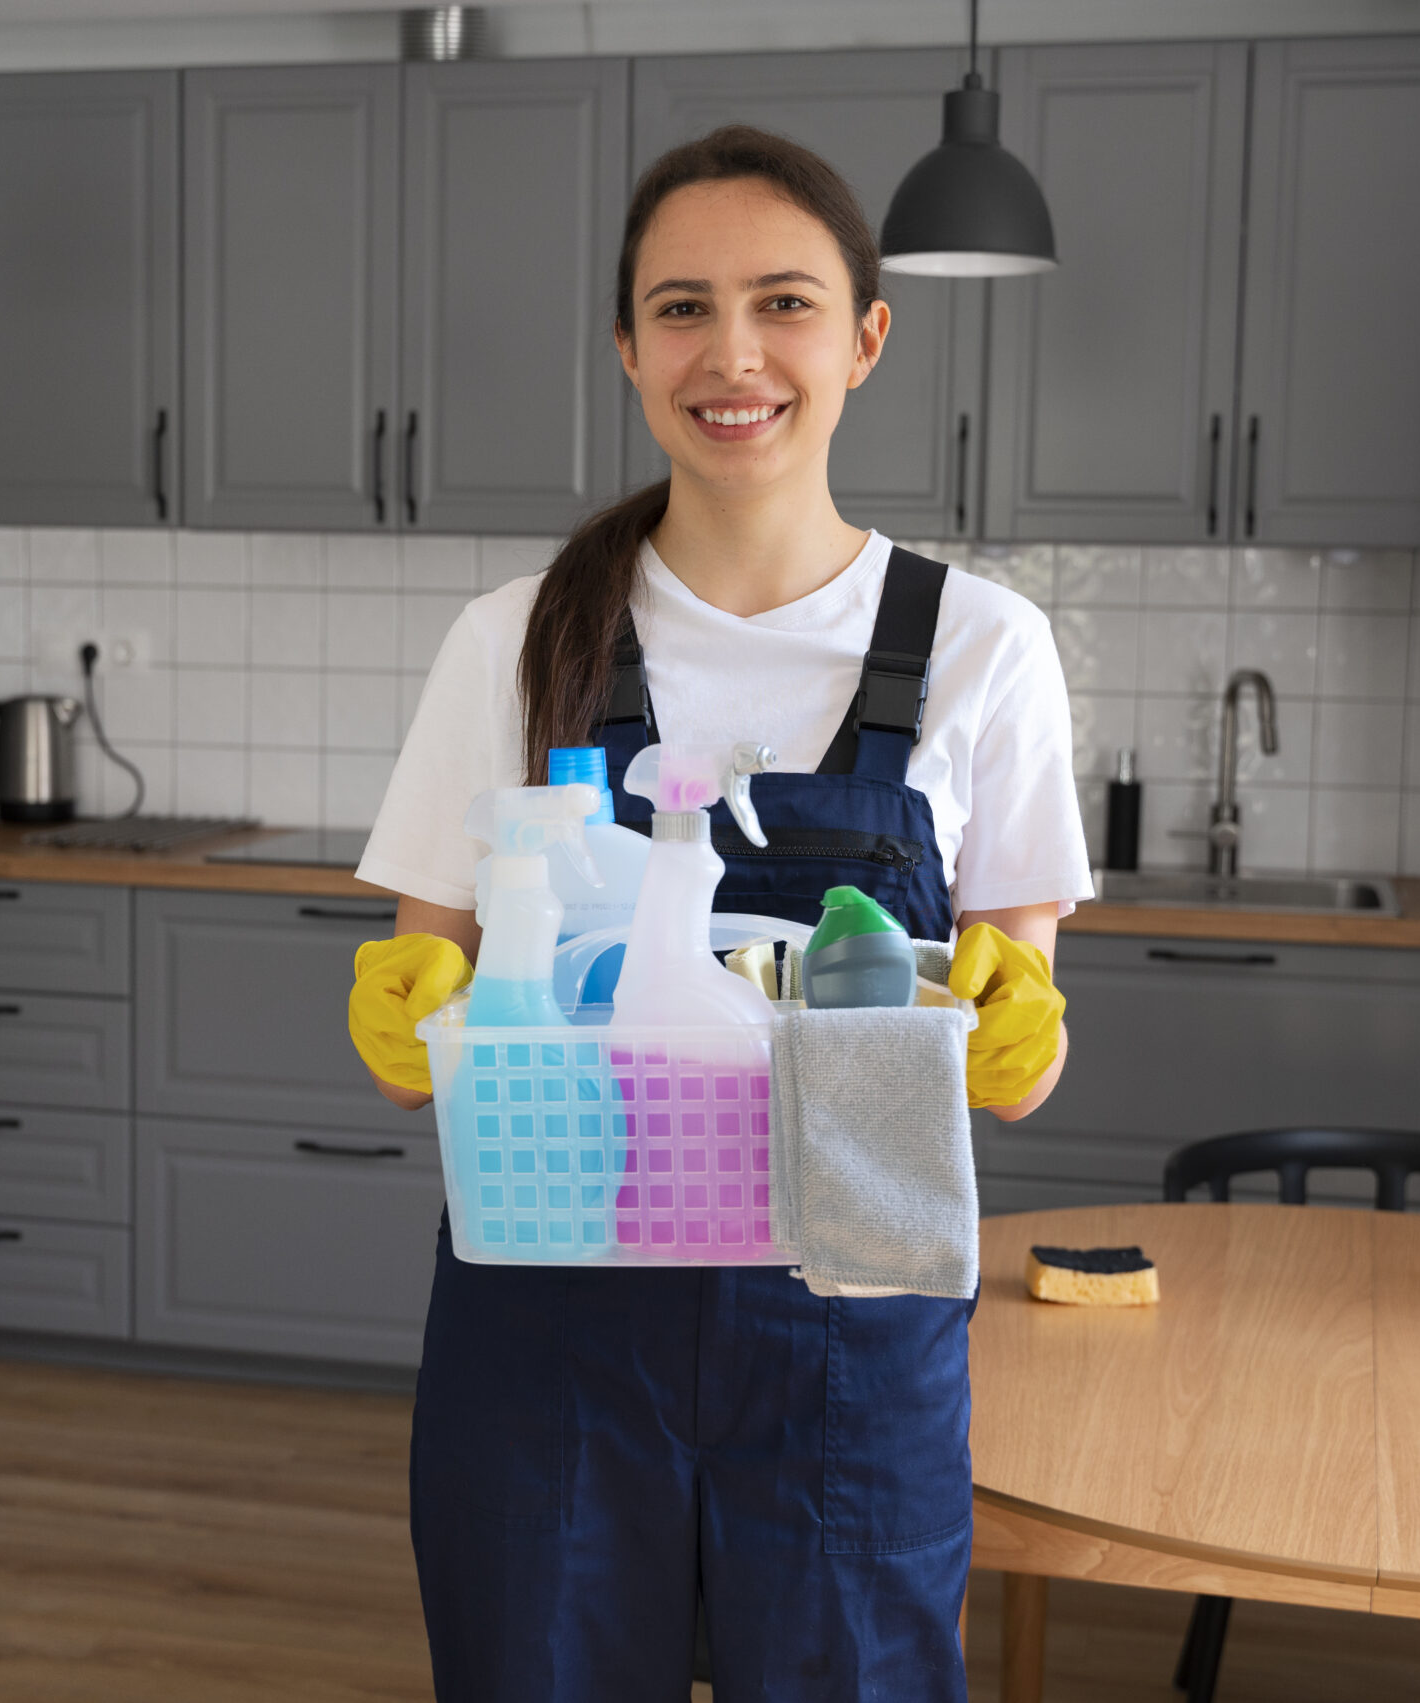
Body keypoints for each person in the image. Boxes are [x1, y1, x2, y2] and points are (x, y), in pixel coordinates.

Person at [346, 125, 1090, 1702]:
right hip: (551, 1321)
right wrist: (411, 1002)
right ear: (627, 347)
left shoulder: (981, 649)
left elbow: (1011, 1073)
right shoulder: (518, 639)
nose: (732, 354)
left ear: (866, 338)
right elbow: (435, 1000)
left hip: (856, 1331)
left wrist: (1017, 1026)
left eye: (785, 303)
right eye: (681, 308)